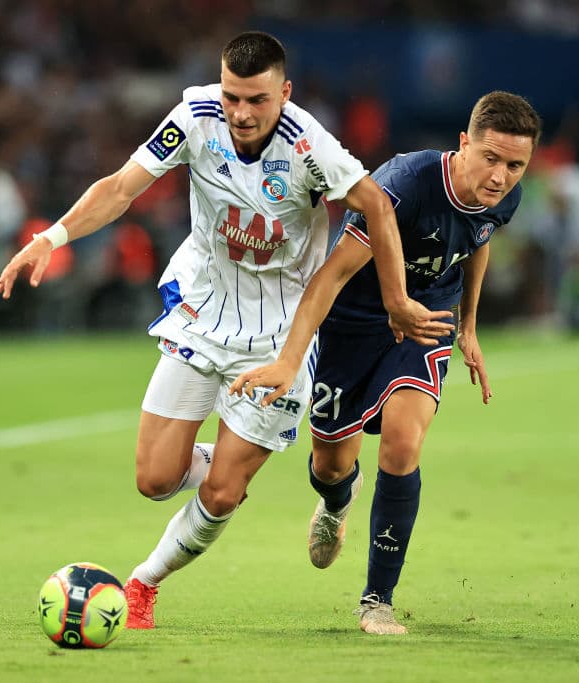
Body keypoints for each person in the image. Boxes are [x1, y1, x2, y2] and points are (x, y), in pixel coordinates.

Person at [0, 31, 443, 629]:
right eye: (233, 96)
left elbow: (378, 206)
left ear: (284, 93)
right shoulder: (195, 117)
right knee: (154, 480)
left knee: (223, 493)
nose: (241, 112)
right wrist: (51, 237)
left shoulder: (311, 147)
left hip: (280, 335)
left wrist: (396, 299)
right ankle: (237, 453)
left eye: (257, 99)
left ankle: (143, 583)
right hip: (203, 313)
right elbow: (123, 187)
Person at [231, 91, 541, 634]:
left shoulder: (503, 198)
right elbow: (329, 277)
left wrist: (468, 326)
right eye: (491, 158)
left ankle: (378, 599)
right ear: (464, 143)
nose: (501, 176)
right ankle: (336, 500)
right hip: (352, 324)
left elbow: (478, 240)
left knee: (404, 440)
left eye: (516, 165)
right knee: (330, 465)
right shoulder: (402, 185)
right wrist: (289, 361)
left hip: (425, 321)